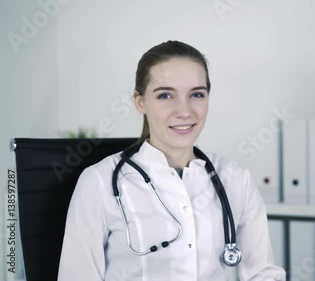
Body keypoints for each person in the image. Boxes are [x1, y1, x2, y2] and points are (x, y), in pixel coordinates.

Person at [57, 41, 286, 281]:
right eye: (165, 95)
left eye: (196, 94)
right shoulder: (98, 182)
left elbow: (263, 273)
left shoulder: (235, 179)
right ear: (140, 101)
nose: (184, 111)